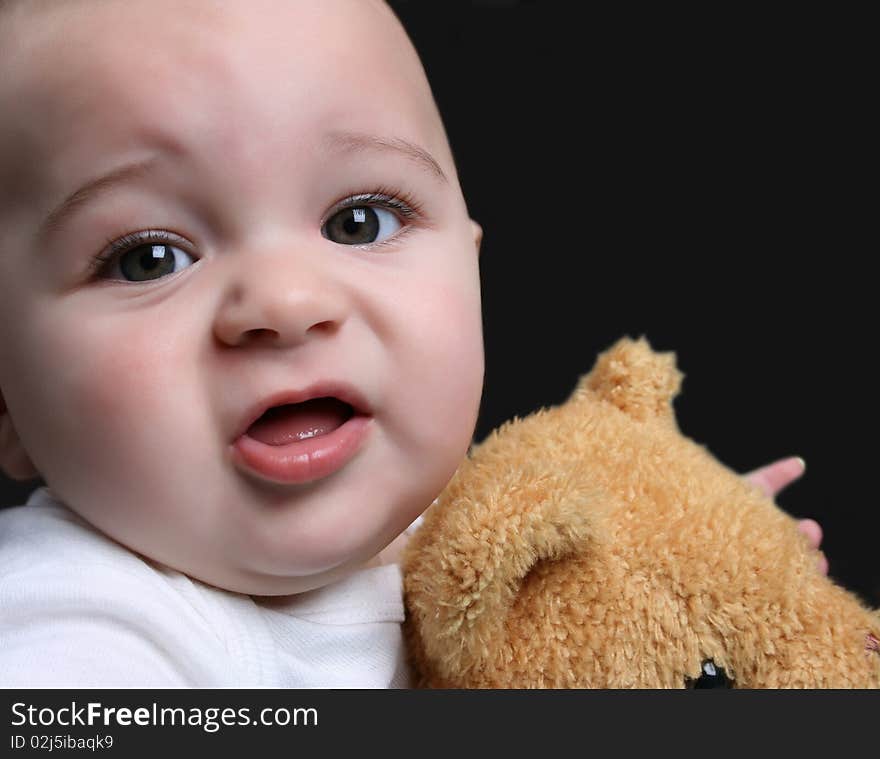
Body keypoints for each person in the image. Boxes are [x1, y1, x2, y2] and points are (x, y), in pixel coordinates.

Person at [0, 0, 825, 687]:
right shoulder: (79, 619)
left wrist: (686, 585)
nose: (287, 303)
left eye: (359, 220)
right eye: (149, 258)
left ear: (471, 272)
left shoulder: (454, 531)